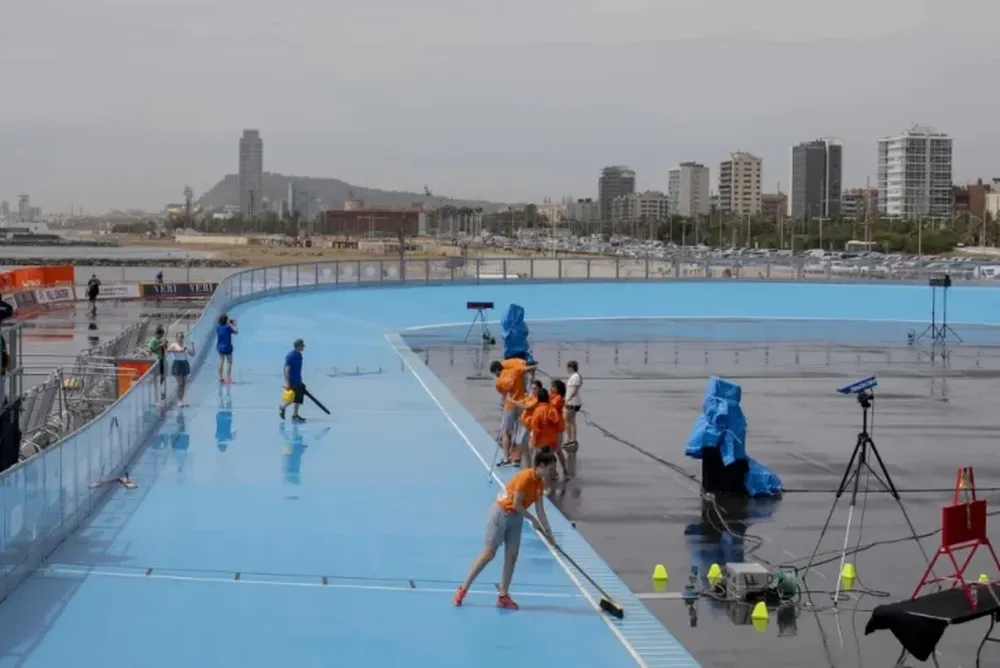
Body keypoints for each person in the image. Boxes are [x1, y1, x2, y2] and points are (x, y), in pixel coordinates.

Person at [453, 449, 557, 611]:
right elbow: (516, 504)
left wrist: (549, 533)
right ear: (541, 466)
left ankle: (503, 596)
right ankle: (463, 589)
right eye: (551, 468)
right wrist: (533, 520)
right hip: (501, 513)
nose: (552, 472)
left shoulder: (539, 483)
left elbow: (540, 510)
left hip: (516, 517)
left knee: (512, 556)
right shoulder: (525, 478)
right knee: (489, 554)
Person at [491, 357, 536, 466]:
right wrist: (533, 372)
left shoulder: (498, 383)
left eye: (494, 373)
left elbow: (504, 395)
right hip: (521, 405)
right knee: (519, 432)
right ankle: (517, 458)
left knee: (506, 432)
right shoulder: (515, 371)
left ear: (497, 370)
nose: (495, 375)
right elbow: (531, 368)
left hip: (509, 406)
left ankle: (506, 458)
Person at [508, 380, 543, 468]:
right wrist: (513, 399)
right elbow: (522, 402)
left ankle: (526, 463)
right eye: (532, 388)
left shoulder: (537, 399)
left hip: (528, 425)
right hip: (522, 423)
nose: (533, 390)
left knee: (523, 444)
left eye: (535, 388)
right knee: (519, 442)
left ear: (539, 389)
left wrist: (511, 400)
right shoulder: (530, 397)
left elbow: (526, 406)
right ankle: (522, 461)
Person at [529, 388, 564, 468]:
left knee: (537, 460)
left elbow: (535, 427)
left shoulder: (537, 411)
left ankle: (537, 476)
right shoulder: (552, 409)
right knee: (550, 459)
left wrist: (532, 440)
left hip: (540, 441)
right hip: (552, 440)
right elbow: (557, 424)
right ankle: (553, 474)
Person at [279, 339, 306, 423]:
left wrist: (300, 380)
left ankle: (295, 415)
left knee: (299, 399)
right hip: (292, 381)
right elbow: (286, 369)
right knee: (291, 398)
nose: (303, 348)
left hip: (298, 380)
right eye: (302, 346)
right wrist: (287, 383)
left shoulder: (299, 356)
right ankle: (282, 407)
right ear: (298, 346)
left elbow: (298, 369)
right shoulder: (291, 356)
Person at [548, 379, 571, 479]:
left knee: (556, 450)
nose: (551, 388)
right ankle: (554, 471)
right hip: (551, 427)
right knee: (554, 450)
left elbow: (550, 406)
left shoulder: (559, 399)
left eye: (553, 387)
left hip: (558, 427)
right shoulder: (551, 397)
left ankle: (562, 470)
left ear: (558, 389)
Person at [167, 332, 195, 407]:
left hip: (184, 363)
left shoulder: (185, 345)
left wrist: (192, 345)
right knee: (180, 383)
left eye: (181, 337)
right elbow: (168, 351)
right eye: (179, 337)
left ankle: (181, 400)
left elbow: (192, 354)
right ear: (176, 338)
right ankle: (179, 399)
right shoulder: (174, 345)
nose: (180, 339)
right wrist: (178, 351)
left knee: (184, 384)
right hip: (177, 364)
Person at [564, 360, 583, 452]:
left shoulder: (575, 376)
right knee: (571, 421)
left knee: (567, 420)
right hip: (572, 401)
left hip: (572, 402)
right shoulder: (573, 376)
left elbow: (575, 390)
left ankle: (570, 439)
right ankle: (573, 439)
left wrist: (568, 399)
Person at [216, 313, 238, 383]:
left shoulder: (218, 327)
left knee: (221, 361)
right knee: (229, 362)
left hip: (220, 347)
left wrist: (228, 324)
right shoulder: (228, 328)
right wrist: (234, 325)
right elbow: (236, 332)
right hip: (227, 347)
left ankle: (220, 377)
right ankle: (228, 377)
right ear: (226, 320)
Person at [149, 325, 167, 400]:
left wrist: (165, 345)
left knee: (163, 376)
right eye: (161, 335)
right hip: (157, 360)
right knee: (156, 376)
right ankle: (156, 390)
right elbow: (151, 350)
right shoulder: (153, 340)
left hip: (162, 359)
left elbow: (165, 348)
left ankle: (159, 389)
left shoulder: (160, 340)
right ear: (158, 334)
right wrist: (160, 345)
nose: (162, 336)